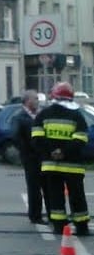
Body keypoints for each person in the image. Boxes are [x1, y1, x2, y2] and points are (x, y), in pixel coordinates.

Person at [32, 82, 89, 235]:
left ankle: (58, 226)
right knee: (77, 197)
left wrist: (52, 152)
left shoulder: (43, 114)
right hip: (73, 166)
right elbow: (81, 139)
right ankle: (81, 226)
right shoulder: (77, 115)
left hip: (51, 165)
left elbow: (36, 138)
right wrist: (64, 151)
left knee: (55, 197)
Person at [12, 89, 48, 224]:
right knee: (34, 188)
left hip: (43, 156)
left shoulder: (40, 115)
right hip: (30, 157)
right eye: (36, 99)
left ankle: (51, 214)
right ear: (28, 101)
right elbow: (15, 136)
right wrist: (26, 151)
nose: (38, 101)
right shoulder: (19, 116)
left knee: (47, 186)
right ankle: (35, 215)